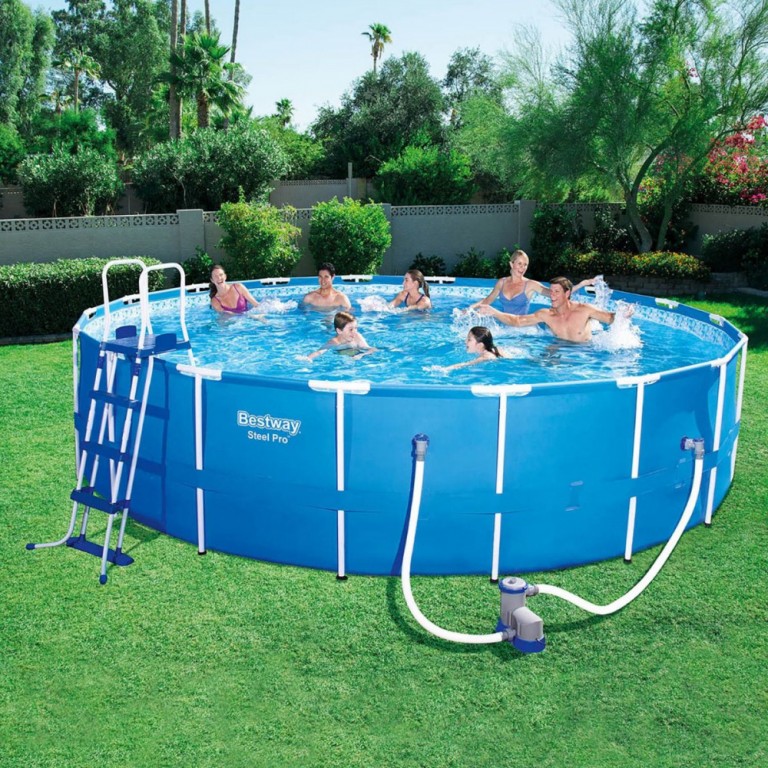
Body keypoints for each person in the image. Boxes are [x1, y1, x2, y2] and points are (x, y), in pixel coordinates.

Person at [476, 276, 632, 343]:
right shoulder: (546, 314)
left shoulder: (584, 310)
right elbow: (517, 321)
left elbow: (610, 318)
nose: (552, 295)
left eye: (556, 292)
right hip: (559, 348)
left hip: (584, 353)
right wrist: (494, 312)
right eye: (551, 291)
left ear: (567, 293)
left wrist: (623, 314)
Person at [468, 249, 595, 315]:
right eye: (519, 264)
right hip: (506, 328)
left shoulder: (530, 284)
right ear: (511, 264)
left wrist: (581, 284)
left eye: (525, 265)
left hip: (523, 329)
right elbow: (487, 300)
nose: (522, 268)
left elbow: (555, 293)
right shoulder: (502, 282)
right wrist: (470, 309)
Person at [306, 311, 374, 360]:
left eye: (356, 328)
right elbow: (319, 352)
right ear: (339, 331)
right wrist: (307, 359)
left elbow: (372, 349)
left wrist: (361, 355)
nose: (354, 332)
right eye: (351, 329)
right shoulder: (334, 342)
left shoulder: (357, 336)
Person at [439, 326, 509, 371]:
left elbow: (467, 364)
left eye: (469, 340)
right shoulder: (495, 349)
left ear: (480, 345)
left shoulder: (486, 357)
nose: (465, 341)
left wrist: (447, 368)